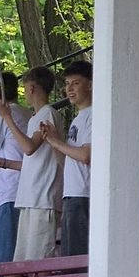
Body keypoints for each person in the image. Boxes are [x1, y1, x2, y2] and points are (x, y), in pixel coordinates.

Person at [0, 66, 63, 261]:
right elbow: (30, 160)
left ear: (32, 87)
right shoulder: (36, 117)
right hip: (31, 196)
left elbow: (29, 147)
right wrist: (5, 163)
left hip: (43, 197)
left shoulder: (47, 113)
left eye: (25, 88)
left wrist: (7, 117)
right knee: (21, 260)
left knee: (38, 257)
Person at [42, 60, 92, 256]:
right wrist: (53, 141)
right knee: (68, 256)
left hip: (83, 193)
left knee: (77, 257)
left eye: (76, 83)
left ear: (90, 85)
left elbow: (86, 155)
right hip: (71, 193)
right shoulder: (78, 118)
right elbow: (68, 160)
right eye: (67, 84)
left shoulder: (93, 115)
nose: (69, 89)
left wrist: (57, 142)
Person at [0, 72, 32, 264]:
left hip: (10, 189)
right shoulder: (27, 113)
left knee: (3, 254)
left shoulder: (2, 113)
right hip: (27, 186)